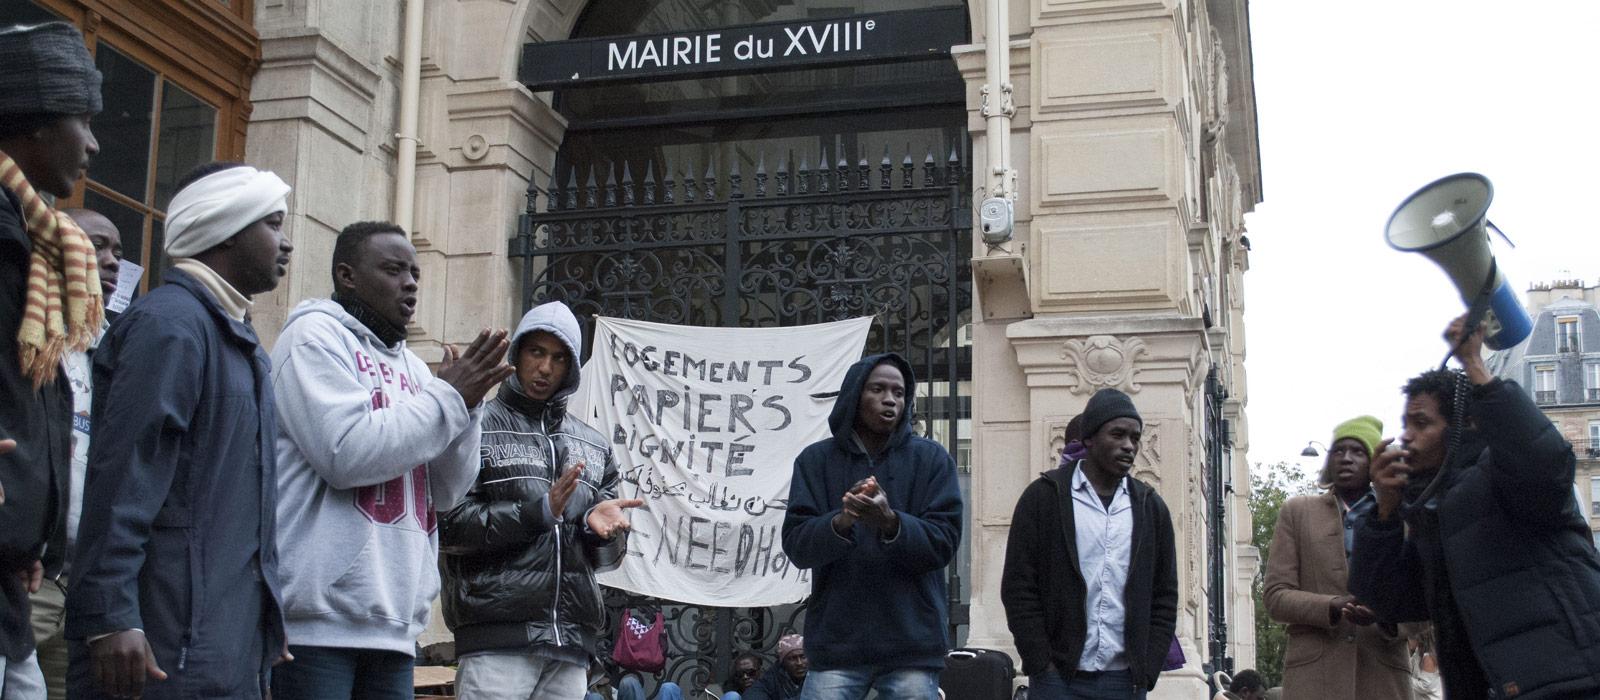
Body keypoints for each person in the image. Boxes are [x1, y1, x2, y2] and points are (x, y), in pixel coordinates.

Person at [65, 162, 295, 699]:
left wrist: (265, 620)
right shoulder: (170, 326)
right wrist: (111, 615)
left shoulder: (239, 341)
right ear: (225, 230)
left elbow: (246, 512)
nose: (285, 245)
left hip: (220, 647)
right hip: (162, 646)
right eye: (273, 225)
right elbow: (123, 477)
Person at [266, 221, 514, 698]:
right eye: (394, 269)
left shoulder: (417, 371)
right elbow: (347, 453)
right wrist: (448, 398)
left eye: (415, 272)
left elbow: (445, 492)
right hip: (316, 628)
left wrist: (467, 407)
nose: (411, 282)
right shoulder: (313, 339)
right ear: (347, 276)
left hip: (395, 626)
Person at [1350, 314, 1600, 699]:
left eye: (1421, 423)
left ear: (1462, 426)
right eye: (1406, 423)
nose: (1406, 436)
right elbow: (1391, 601)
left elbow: (1547, 464)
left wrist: (1476, 367)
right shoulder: (1426, 506)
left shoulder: (1499, 470)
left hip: (1569, 676)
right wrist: (1383, 512)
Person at [438, 300, 642, 699]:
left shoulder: (593, 445)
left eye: (559, 357)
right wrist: (538, 513)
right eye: (536, 352)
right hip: (495, 638)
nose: (545, 368)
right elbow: (447, 524)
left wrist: (596, 531)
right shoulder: (478, 425)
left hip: (570, 643)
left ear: (571, 369)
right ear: (517, 353)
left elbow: (608, 558)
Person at [0, 21, 102, 688]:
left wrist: (30, 536)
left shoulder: (41, 245)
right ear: (35, 125)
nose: (93, 144)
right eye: (82, 120)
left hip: (11, 588)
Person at [781, 353, 963, 699]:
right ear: (855, 396)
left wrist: (890, 522)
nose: (890, 399)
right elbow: (797, 545)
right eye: (878, 389)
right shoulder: (815, 461)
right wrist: (842, 521)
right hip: (838, 645)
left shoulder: (932, 459)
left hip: (911, 646)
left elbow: (944, 543)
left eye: (898, 391)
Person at [1000, 387, 1178, 699]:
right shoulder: (1044, 497)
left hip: (1124, 681)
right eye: (1118, 434)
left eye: (1135, 438)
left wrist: (1147, 668)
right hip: (1058, 678)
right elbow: (1018, 586)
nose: (1128, 446)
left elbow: (1164, 595)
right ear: (1089, 438)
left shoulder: (1151, 507)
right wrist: (1040, 660)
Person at [8, 209, 120, 700]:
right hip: (29, 578)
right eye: (97, 247)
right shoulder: (30, 335)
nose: (111, 261)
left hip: (87, 586)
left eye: (118, 250)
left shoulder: (116, 351)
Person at [1263, 415, 1411, 699]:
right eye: (1338, 451)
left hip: (1382, 674)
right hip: (1313, 678)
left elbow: (1426, 602)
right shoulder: (1297, 512)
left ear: (1375, 462)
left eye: (1358, 451)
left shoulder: (1402, 515)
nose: (1346, 458)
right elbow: (1275, 596)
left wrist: (1385, 615)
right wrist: (1331, 605)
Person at [744, 635, 807, 700]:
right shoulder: (774, 675)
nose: (799, 663)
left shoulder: (815, 674)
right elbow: (753, 693)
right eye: (792, 658)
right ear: (783, 662)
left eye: (803, 657)